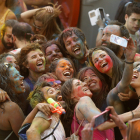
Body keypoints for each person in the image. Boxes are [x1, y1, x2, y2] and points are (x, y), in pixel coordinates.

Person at [0, 63, 25, 139]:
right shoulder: (10, 107)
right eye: (16, 76)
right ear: (6, 83)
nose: (22, 77)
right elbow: (25, 137)